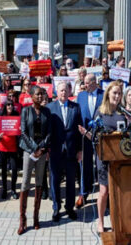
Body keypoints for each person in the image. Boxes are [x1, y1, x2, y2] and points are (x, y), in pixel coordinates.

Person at [78, 81, 125, 233]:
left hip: (119, 159)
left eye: (119, 93)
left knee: (117, 192)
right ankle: (100, 221)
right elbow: (95, 138)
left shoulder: (123, 113)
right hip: (104, 158)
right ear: (108, 94)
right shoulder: (101, 112)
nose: (117, 96)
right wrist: (86, 133)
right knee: (104, 191)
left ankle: (116, 220)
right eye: (114, 93)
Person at [17, 86, 51, 235]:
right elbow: (23, 132)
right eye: (37, 94)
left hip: (42, 152)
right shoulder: (26, 111)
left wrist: (42, 147)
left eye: (41, 94)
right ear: (31, 96)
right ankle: (22, 220)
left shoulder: (47, 112)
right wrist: (34, 148)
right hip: (29, 151)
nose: (40, 96)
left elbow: (49, 133)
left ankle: (36, 217)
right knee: (25, 182)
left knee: (39, 182)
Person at [47, 81, 82, 222]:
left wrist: (80, 150)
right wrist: (47, 149)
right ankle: (56, 207)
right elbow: (48, 131)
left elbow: (79, 131)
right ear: (57, 91)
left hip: (71, 151)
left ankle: (69, 207)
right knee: (54, 180)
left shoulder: (76, 107)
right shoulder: (50, 108)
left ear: (69, 92)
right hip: (55, 151)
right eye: (61, 90)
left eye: (65, 90)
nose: (63, 93)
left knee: (70, 182)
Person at [76, 74, 104, 208]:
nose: (85, 85)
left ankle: (105, 195)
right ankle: (83, 193)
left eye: (87, 83)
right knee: (85, 165)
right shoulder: (80, 96)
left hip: (99, 136)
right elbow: (78, 114)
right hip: (84, 136)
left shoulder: (103, 95)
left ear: (94, 83)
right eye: (84, 83)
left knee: (101, 166)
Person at [0, 100, 19, 200]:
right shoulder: (1, 117)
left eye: (11, 105)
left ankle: (13, 189)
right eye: (8, 105)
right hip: (3, 147)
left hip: (13, 147)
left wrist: (20, 129)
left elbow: (19, 130)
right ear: (5, 106)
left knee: (14, 170)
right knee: (4, 170)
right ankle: (5, 190)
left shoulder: (16, 115)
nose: (10, 106)